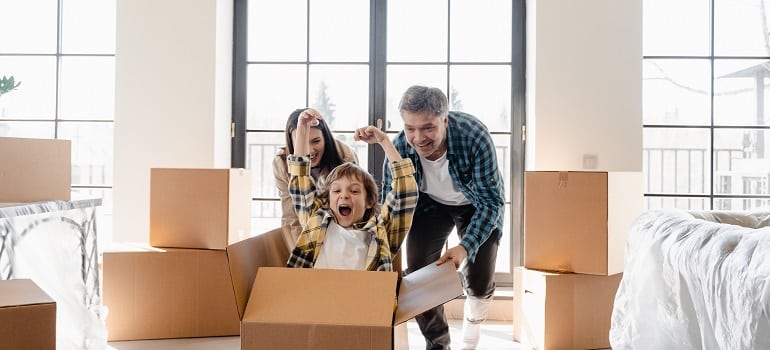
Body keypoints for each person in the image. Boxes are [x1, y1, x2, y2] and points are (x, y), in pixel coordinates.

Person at [381, 85, 505, 349]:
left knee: (479, 282)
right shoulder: (401, 145)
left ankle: (473, 322)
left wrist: (464, 247)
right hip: (429, 204)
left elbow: (491, 202)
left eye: (428, 128)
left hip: (476, 203)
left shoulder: (474, 136)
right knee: (418, 275)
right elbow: (387, 198)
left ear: (445, 120)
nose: (418, 137)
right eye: (410, 128)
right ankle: (439, 344)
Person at [285, 109, 418, 271]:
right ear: (327, 200)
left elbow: (405, 194)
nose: (344, 195)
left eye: (354, 191)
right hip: (318, 294)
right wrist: (302, 127)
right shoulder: (316, 223)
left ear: (369, 201)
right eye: (336, 191)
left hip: (362, 296)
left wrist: (384, 141)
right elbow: (300, 182)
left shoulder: (380, 232)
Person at [273, 108, 359, 252]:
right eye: (301, 142)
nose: (310, 150)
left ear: (325, 138)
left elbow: (353, 210)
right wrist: (301, 256)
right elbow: (291, 217)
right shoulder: (281, 163)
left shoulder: (345, 156)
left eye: (316, 141)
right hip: (307, 228)